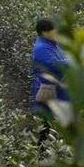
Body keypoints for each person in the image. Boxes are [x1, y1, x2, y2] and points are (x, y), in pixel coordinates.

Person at [31, 18, 70, 147]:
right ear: (44, 33)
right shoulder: (41, 48)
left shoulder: (53, 44)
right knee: (45, 122)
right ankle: (41, 151)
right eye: (53, 31)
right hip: (46, 89)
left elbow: (63, 57)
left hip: (57, 88)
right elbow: (55, 65)